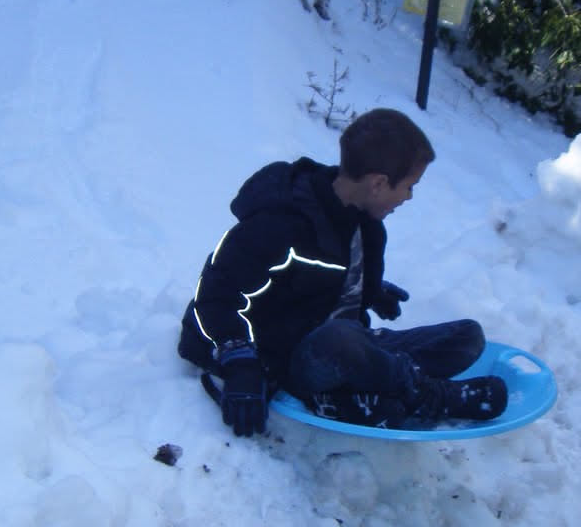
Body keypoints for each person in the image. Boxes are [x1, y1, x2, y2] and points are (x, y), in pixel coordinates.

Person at [179, 108, 508, 436]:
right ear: (379, 183)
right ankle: (427, 396)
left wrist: (371, 290)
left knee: (467, 336)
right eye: (409, 186)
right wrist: (240, 362)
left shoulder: (369, 227)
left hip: (352, 346)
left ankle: (380, 387)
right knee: (340, 341)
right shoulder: (280, 222)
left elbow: (323, 282)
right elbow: (215, 296)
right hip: (292, 356)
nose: (409, 197)